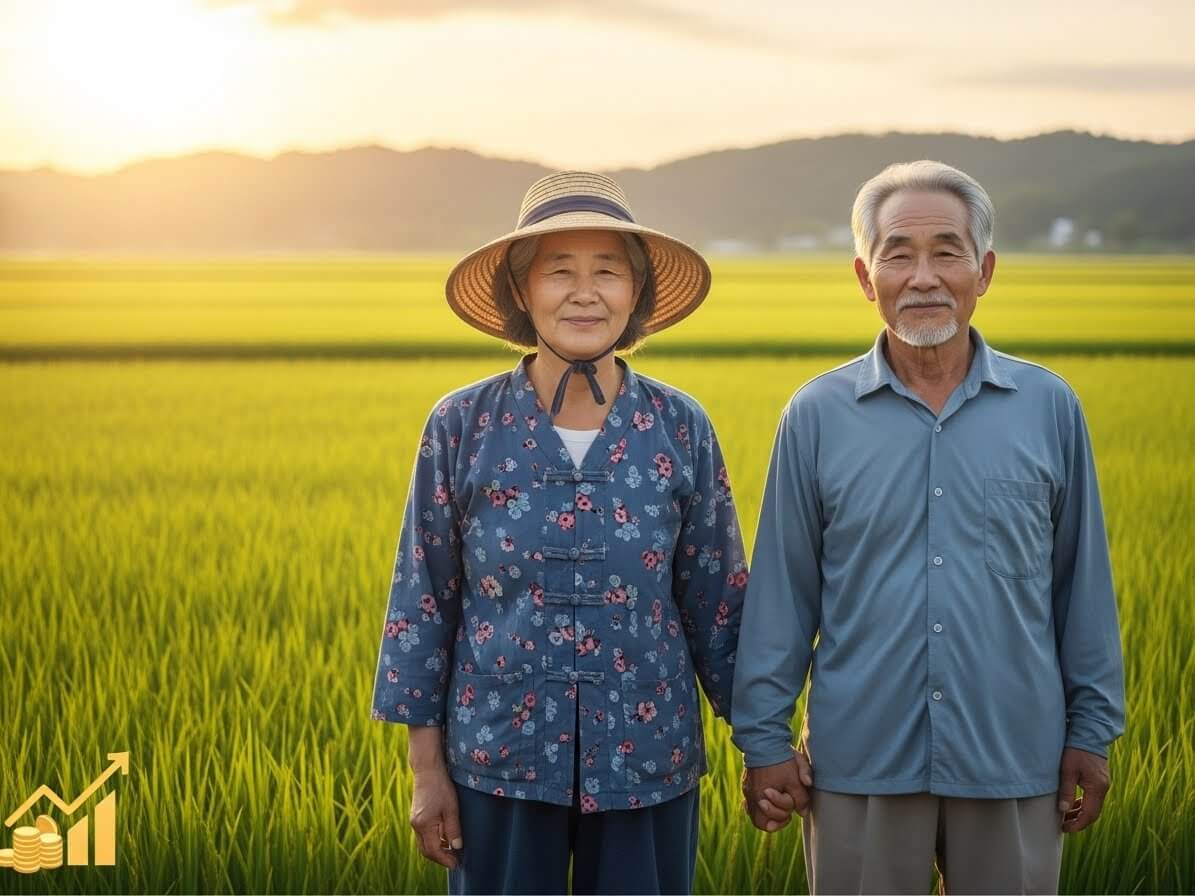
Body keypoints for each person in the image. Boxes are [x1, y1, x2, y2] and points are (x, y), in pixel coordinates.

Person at [731, 160, 1125, 894]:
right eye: (897, 255)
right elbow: (783, 592)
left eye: (946, 252)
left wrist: (1092, 731)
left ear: (984, 270)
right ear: (865, 276)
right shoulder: (815, 416)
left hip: (1014, 752)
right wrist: (762, 739)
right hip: (860, 758)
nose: (922, 278)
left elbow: (1082, 586)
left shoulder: (1048, 407)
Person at [370, 171, 747, 894]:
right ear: (521, 290)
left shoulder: (679, 426)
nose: (584, 293)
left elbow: (718, 602)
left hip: (645, 757)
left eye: (607, 271)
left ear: (635, 292)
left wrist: (763, 746)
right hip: (500, 756)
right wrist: (425, 771)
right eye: (558, 271)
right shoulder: (461, 425)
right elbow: (423, 601)